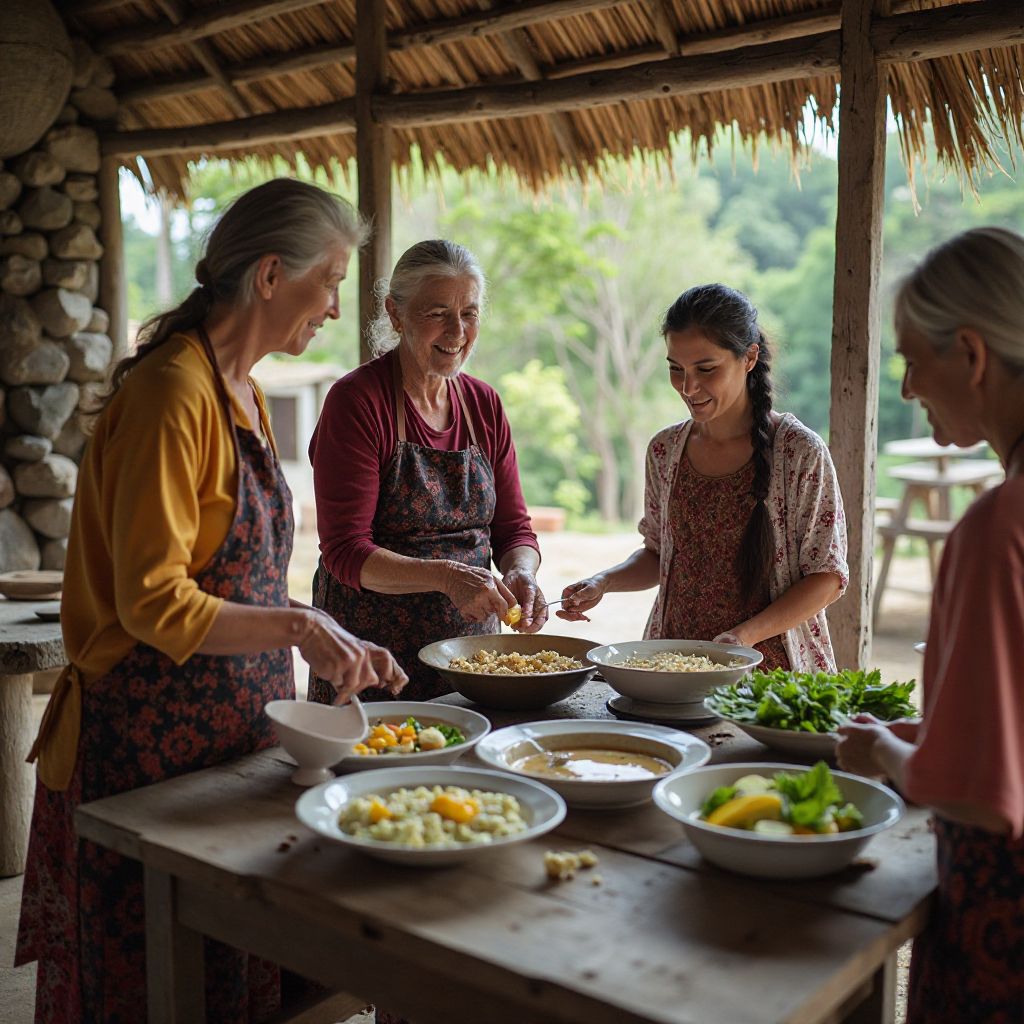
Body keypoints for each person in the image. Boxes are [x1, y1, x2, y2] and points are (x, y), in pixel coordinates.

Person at [16, 178, 407, 1024]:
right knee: (151, 989)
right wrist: (304, 626)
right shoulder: (171, 395)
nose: (336, 308)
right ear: (271, 277)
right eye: (331, 281)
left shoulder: (247, 392)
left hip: (226, 738)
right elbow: (154, 602)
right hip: (144, 752)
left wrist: (323, 629)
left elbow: (248, 580)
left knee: (229, 981)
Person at [836, 227, 1024, 1023]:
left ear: (973, 356)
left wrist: (880, 747)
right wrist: (932, 729)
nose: (908, 387)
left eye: (914, 360)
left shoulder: (995, 529)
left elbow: (980, 798)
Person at [558, 283, 847, 671]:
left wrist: (741, 639)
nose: (688, 387)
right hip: (671, 666)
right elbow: (659, 555)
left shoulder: (799, 453)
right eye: (676, 369)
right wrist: (603, 582)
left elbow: (826, 577)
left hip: (772, 674)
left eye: (706, 369)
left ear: (749, 358)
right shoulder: (665, 451)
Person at [308, 239, 546, 704]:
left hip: (471, 662)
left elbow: (514, 530)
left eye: (470, 314)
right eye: (437, 312)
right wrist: (448, 577)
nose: (457, 331)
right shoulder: (357, 402)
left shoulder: (484, 405)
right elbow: (346, 551)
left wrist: (522, 573)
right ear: (395, 314)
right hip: (374, 658)